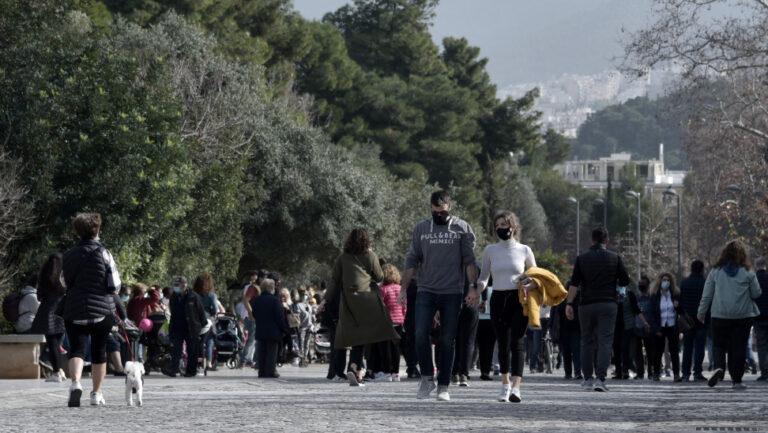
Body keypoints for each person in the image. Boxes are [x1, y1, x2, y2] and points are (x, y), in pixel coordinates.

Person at [398, 190, 479, 402]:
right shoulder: (422, 228)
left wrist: (472, 288)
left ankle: (443, 385)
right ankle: (427, 378)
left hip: (452, 291)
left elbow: (470, 260)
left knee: (447, 339)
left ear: (449, 208)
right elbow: (412, 260)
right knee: (420, 334)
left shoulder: (462, 228)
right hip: (426, 290)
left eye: (442, 211)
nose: (438, 215)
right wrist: (403, 289)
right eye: (435, 212)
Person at [319, 228, 398, 387]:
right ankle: (357, 369)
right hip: (366, 300)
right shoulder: (370, 256)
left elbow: (334, 281)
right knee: (365, 337)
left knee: (353, 335)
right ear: (367, 241)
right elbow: (379, 277)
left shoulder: (342, 258)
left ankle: (355, 369)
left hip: (348, 300)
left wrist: (324, 301)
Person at [61, 212, 122, 407]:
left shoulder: (68, 255)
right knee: (99, 351)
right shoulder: (104, 253)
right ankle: (96, 394)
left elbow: (63, 281)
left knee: (77, 349)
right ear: (97, 230)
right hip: (100, 310)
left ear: (77, 231)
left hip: (74, 308)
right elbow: (115, 284)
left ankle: (75, 383)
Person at [475, 210, 535, 403]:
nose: (502, 228)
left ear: (513, 227)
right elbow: (484, 276)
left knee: (517, 343)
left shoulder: (524, 250)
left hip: (518, 298)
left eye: (505, 225)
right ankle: (504, 384)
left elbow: (535, 275)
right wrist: (477, 289)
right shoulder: (490, 250)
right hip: (498, 298)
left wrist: (530, 283)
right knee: (502, 344)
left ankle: (516, 388)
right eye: (498, 226)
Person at [565, 226, 630, 392]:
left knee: (586, 340)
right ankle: (601, 379)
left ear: (591, 240)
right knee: (605, 341)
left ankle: (587, 379)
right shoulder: (615, 258)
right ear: (607, 241)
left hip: (586, 304)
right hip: (608, 304)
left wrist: (569, 304)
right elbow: (625, 280)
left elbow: (574, 283)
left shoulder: (582, 258)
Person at [698, 240, 762, 389]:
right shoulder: (748, 272)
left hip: (719, 315)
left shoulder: (715, 271)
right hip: (743, 316)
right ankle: (737, 380)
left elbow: (707, 295)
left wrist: (701, 313)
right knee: (738, 348)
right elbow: (756, 293)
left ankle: (719, 367)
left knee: (719, 345)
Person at [31, 253, 67, 382]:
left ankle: (56, 372)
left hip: (48, 311)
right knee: (58, 343)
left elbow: (39, 296)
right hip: (63, 311)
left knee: (53, 344)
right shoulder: (65, 275)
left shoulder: (44, 276)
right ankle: (60, 370)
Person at [373, 263, 407, 382]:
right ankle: (396, 373)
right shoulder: (400, 289)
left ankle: (387, 373)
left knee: (385, 349)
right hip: (399, 322)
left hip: (386, 323)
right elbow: (404, 306)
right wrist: (402, 317)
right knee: (396, 349)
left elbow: (380, 307)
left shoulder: (382, 290)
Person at [647, 273, 683, 381]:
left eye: (667, 280)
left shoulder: (675, 294)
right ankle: (656, 373)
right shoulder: (655, 295)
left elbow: (682, 311)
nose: (665, 282)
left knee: (674, 350)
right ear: (660, 281)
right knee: (658, 351)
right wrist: (655, 328)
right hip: (660, 326)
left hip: (672, 325)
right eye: (663, 280)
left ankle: (676, 374)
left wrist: (678, 307)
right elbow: (651, 313)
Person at [251, 278, 289, 378]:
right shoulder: (275, 301)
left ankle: (262, 372)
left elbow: (254, 314)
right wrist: (284, 329)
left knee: (262, 352)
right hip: (273, 331)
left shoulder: (256, 300)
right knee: (272, 353)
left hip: (260, 330)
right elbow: (279, 317)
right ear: (271, 288)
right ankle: (270, 371)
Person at [680, 260, 709, 382]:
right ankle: (697, 372)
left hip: (687, 321)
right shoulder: (705, 283)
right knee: (699, 348)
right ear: (702, 269)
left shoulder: (684, 283)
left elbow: (681, 300)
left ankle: (685, 373)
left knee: (687, 348)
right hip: (701, 320)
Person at [554, 284, 581, 380]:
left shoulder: (576, 298)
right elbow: (555, 313)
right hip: (566, 329)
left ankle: (572, 372)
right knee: (570, 352)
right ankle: (572, 372)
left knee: (571, 351)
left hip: (572, 329)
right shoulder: (564, 298)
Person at [239, 270, 265, 367]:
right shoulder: (252, 287)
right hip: (251, 317)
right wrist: (249, 314)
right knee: (252, 339)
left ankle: (255, 360)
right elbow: (245, 301)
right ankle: (243, 360)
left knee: (255, 339)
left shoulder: (259, 288)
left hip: (253, 316)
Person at [194, 274, 219, 370]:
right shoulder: (211, 295)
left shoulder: (194, 293)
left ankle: (197, 361)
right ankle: (208, 363)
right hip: (208, 319)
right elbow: (216, 310)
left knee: (197, 341)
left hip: (196, 318)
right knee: (209, 341)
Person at [753, 257, 768, 381]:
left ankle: (764, 372)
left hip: (758, 317)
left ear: (756, 266)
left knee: (761, 346)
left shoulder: (753, 280)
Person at [295, 288, 313, 367]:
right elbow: (297, 316)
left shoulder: (309, 305)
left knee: (307, 343)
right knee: (301, 342)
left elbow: (311, 316)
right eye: (303, 295)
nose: (305, 296)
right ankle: (301, 357)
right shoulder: (298, 305)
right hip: (302, 326)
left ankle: (305, 357)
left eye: (306, 295)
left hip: (309, 326)